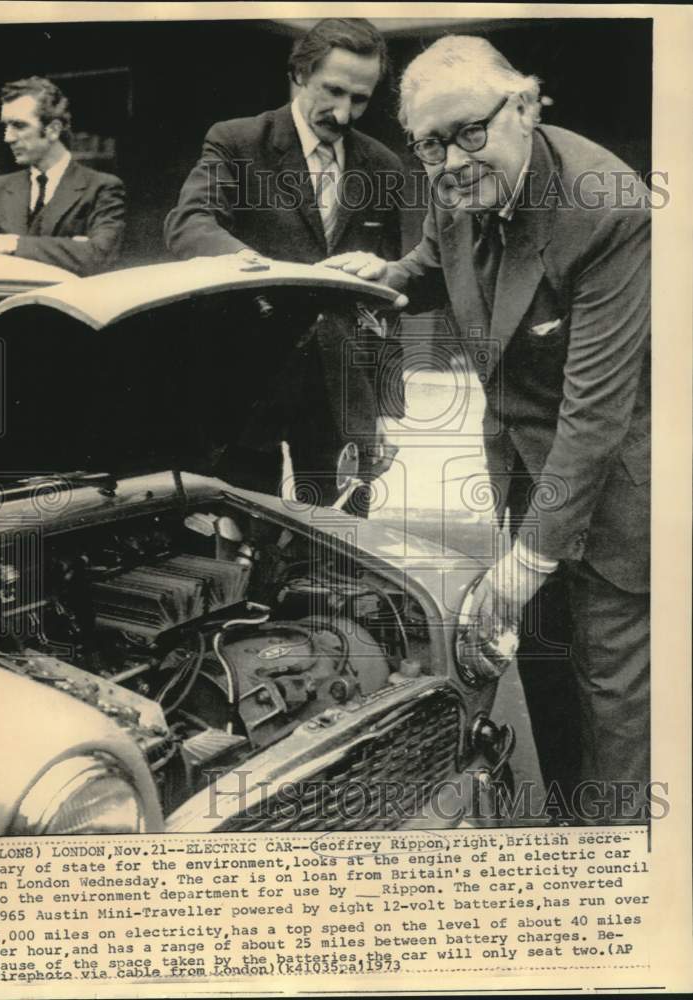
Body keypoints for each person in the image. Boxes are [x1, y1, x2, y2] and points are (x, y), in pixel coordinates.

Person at [325, 35, 650, 822]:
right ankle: (572, 828)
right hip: (521, 475)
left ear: (526, 106)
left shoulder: (606, 208)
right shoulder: (455, 185)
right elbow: (434, 269)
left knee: (610, 699)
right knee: (542, 672)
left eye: (470, 131)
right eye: (430, 143)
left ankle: (620, 880)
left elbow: (593, 417)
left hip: (612, 492)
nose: (452, 160)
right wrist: (385, 276)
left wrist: (526, 558)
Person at [164, 18, 405, 506]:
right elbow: (189, 222)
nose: (343, 113)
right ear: (298, 73)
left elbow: (387, 292)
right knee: (243, 530)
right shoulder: (237, 141)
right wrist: (245, 262)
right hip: (249, 381)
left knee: (337, 545)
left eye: (359, 99)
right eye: (332, 91)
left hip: (341, 389)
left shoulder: (384, 166)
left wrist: (382, 407)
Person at [0, 76, 125, 277]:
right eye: (6, 126)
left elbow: (99, 256)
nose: (8, 137)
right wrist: (70, 248)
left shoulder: (102, 187)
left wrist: (14, 244)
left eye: (19, 125)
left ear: (53, 130)